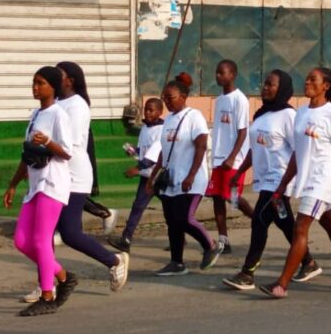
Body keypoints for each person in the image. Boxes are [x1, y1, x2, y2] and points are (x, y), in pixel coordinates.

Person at [259, 67, 331, 299]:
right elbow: (297, 154)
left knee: (300, 227)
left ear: (325, 86)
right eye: (306, 78)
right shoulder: (302, 113)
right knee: (330, 223)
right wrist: (282, 185)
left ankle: (282, 283)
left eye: (313, 79)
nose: (307, 82)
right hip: (306, 180)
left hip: (322, 180)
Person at [222, 70, 322, 291]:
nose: (265, 87)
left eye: (271, 84)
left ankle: (247, 273)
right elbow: (254, 149)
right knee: (285, 223)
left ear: (283, 88)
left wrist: (288, 181)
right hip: (264, 180)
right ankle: (308, 262)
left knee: (259, 220)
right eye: (264, 84)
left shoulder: (289, 116)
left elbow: (299, 149)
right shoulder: (261, 115)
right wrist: (239, 173)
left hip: (279, 180)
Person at [4, 66, 75, 316]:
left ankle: (47, 295)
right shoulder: (35, 114)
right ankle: (64, 277)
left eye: (41, 83)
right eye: (34, 82)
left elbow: (67, 152)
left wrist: (47, 141)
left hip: (53, 182)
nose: (35, 87)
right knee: (22, 242)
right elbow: (27, 153)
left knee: (40, 240)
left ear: (53, 87)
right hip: (34, 183)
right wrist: (13, 184)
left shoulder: (59, 114)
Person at [51, 62, 128, 292]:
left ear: (70, 80)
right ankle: (46, 283)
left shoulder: (77, 106)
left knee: (71, 234)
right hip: (54, 174)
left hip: (74, 175)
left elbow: (68, 144)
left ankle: (114, 261)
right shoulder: (54, 103)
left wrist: (43, 147)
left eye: (60, 74)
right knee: (43, 233)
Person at [147, 73, 222, 276]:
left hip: (192, 178)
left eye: (170, 97)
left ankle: (210, 245)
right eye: (164, 98)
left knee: (184, 217)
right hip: (171, 178)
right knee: (172, 221)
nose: (166, 101)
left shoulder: (194, 116)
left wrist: (191, 175)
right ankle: (177, 262)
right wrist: (153, 176)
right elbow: (164, 151)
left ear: (182, 96)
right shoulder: (169, 119)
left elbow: (200, 146)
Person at [206, 59, 254, 254]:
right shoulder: (219, 100)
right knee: (216, 197)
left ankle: (259, 219)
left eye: (222, 73)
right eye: (217, 72)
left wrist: (233, 157)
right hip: (218, 157)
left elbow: (243, 131)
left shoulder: (239, 99)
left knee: (232, 197)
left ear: (232, 75)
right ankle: (223, 239)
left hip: (233, 158)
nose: (218, 76)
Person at [108, 98, 164, 253]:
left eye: (151, 110)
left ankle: (179, 236)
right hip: (147, 176)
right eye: (146, 109)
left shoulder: (162, 130)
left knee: (170, 208)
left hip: (158, 176)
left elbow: (154, 156)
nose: (147, 112)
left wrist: (137, 168)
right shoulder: (145, 128)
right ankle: (126, 239)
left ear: (160, 111)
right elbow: (143, 151)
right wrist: (133, 150)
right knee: (138, 205)